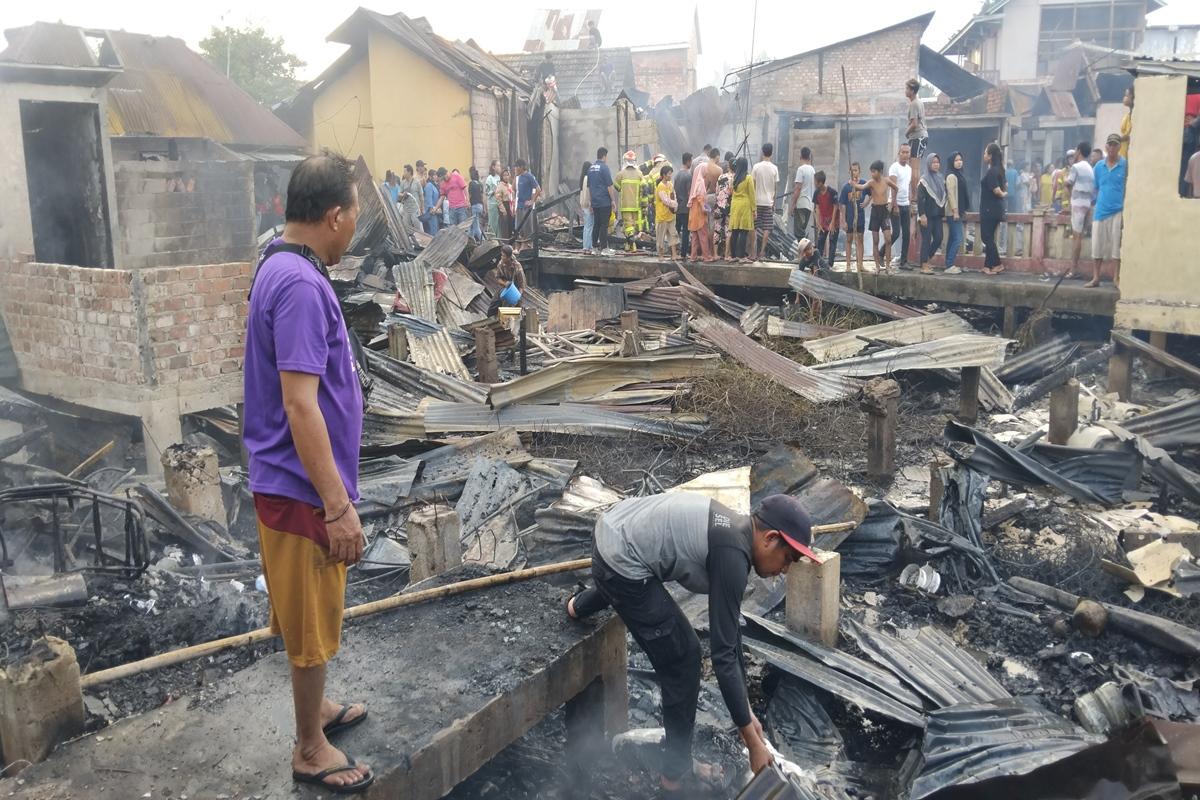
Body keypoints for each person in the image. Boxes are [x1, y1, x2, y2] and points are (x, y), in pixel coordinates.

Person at [244, 153, 373, 794]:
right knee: (311, 619)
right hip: (300, 487)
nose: (356, 227)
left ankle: (313, 711)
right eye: (354, 215)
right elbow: (300, 402)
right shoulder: (298, 286)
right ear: (333, 216)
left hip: (292, 482)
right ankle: (308, 747)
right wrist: (337, 503)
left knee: (311, 613)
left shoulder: (282, 259)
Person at [567, 493, 820, 794]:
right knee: (684, 660)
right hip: (619, 557)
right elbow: (722, 656)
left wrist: (748, 717)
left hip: (616, 528)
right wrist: (753, 745)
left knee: (639, 564)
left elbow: (732, 638)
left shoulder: (736, 533)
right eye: (788, 558)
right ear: (770, 539)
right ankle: (674, 777)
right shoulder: (732, 556)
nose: (787, 569)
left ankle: (576, 606)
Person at [1089, 133, 1127, 288]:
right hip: (1100, 210)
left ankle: (1116, 278)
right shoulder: (1098, 166)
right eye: (1110, 144)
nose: (1112, 147)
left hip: (1118, 210)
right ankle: (1095, 278)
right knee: (1097, 246)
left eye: (1115, 144)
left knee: (1116, 247)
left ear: (1119, 147)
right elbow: (1097, 187)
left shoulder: (1125, 164)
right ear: (1106, 147)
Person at [1064, 142, 1095, 279]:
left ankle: (1073, 269)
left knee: (1076, 238)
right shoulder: (1090, 168)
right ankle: (1074, 267)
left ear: (1079, 151)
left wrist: (1071, 196)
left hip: (1077, 204)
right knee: (1080, 237)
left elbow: (1068, 183)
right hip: (1087, 204)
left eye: (1076, 150)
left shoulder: (1075, 167)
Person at [980, 142, 1008, 276]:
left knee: (986, 238)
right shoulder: (1000, 169)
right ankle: (987, 266)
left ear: (990, 156)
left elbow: (997, 190)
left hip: (989, 209)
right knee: (989, 237)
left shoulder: (992, 171)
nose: (984, 155)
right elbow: (1005, 185)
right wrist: (1003, 194)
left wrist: (1003, 194)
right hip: (997, 209)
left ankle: (997, 264)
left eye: (985, 153)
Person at [916, 153, 946, 275]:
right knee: (926, 239)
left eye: (937, 162)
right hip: (926, 216)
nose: (936, 164)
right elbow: (920, 199)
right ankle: (924, 265)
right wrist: (922, 215)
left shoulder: (940, 178)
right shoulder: (924, 180)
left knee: (939, 238)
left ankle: (927, 258)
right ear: (929, 164)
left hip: (937, 215)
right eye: (933, 162)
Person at [865, 160, 897, 271]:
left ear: (880, 171)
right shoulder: (871, 182)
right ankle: (877, 266)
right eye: (871, 172)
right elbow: (862, 187)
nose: (872, 174)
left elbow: (896, 188)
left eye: (874, 172)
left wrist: (893, 203)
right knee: (875, 240)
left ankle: (888, 266)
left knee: (888, 239)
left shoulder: (886, 180)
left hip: (884, 211)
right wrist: (854, 184)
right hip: (875, 211)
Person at [885, 144, 914, 268]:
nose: (905, 155)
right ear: (899, 153)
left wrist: (910, 201)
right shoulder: (894, 167)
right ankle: (882, 252)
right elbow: (892, 186)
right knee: (896, 233)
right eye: (903, 152)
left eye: (907, 152)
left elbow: (908, 186)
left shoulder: (909, 169)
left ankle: (903, 261)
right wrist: (895, 205)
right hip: (895, 203)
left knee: (907, 234)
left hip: (905, 204)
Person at [751, 142, 779, 261]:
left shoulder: (756, 167)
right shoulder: (774, 168)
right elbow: (775, 188)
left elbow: (752, 185)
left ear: (762, 152)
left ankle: (753, 252)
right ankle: (762, 252)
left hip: (756, 202)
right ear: (771, 153)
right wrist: (774, 202)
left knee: (754, 227)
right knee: (767, 228)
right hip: (768, 202)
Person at [839, 162, 868, 277]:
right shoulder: (846, 187)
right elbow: (843, 205)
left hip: (860, 217)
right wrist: (843, 220)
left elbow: (870, 194)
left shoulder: (863, 184)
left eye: (855, 170)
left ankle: (860, 264)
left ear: (859, 171)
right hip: (850, 218)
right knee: (849, 239)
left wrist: (866, 203)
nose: (853, 172)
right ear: (849, 172)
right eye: (851, 170)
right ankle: (848, 265)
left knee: (860, 240)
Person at [588, 147, 618, 253]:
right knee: (604, 225)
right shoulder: (604, 168)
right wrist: (613, 200)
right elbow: (609, 186)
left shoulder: (591, 168)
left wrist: (591, 203)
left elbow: (589, 187)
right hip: (604, 202)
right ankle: (604, 248)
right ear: (604, 156)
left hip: (595, 202)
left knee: (596, 224)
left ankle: (594, 248)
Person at [944, 152, 968, 275]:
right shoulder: (951, 176)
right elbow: (951, 194)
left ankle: (948, 264)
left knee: (953, 238)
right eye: (956, 160)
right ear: (951, 162)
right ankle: (949, 265)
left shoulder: (959, 174)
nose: (959, 162)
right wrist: (955, 211)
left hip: (957, 211)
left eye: (960, 159)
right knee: (958, 239)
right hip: (953, 212)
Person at [688, 151, 715, 262]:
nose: (707, 172)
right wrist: (705, 208)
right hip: (699, 213)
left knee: (695, 237)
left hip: (693, 213)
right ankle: (706, 256)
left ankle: (693, 256)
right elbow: (700, 197)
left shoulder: (696, 182)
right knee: (703, 236)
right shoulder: (700, 183)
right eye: (706, 170)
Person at [904, 77, 928, 202]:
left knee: (914, 168)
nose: (905, 91)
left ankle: (914, 195)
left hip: (917, 137)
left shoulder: (914, 103)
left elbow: (914, 123)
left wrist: (906, 132)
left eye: (907, 88)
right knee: (916, 168)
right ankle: (914, 194)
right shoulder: (919, 102)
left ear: (912, 91)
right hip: (922, 137)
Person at [728, 157, 755, 263]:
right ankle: (741, 256)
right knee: (743, 231)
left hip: (735, 205)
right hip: (744, 205)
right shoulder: (748, 178)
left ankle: (733, 255)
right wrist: (754, 209)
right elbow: (752, 195)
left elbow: (731, 192)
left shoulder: (734, 178)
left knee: (735, 230)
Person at [617, 150, 643, 253]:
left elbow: (616, 186)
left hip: (625, 205)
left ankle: (633, 245)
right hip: (636, 205)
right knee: (632, 226)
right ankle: (628, 245)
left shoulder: (621, 174)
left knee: (628, 226)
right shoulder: (640, 174)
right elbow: (644, 189)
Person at [813, 170, 840, 266]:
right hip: (824, 221)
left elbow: (836, 207)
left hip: (834, 220)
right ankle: (819, 263)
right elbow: (817, 208)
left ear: (820, 183)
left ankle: (830, 264)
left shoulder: (832, 192)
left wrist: (832, 222)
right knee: (820, 241)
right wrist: (818, 222)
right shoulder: (816, 193)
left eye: (815, 182)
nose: (814, 183)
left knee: (832, 242)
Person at [790, 146, 815, 242]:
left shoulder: (801, 169)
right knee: (802, 230)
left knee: (799, 232)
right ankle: (805, 252)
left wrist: (793, 204)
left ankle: (804, 253)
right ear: (809, 157)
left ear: (800, 156)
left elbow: (798, 188)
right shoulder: (812, 170)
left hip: (801, 203)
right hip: (809, 204)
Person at [655, 165, 680, 260]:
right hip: (662, 216)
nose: (670, 176)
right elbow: (666, 200)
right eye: (669, 174)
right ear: (664, 175)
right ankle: (660, 255)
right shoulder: (660, 187)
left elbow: (674, 196)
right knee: (660, 237)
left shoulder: (670, 185)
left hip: (670, 215)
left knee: (673, 235)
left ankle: (674, 254)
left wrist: (675, 204)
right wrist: (675, 204)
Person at [513, 159, 541, 243]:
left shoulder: (529, 176)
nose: (515, 169)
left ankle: (527, 244)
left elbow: (538, 189)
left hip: (526, 207)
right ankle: (520, 245)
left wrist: (532, 201)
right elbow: (513, 189)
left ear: (521, 167)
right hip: (519, 206)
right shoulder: (519, 177)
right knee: (519, 227)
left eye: (516, 167)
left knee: (527, 228)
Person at [673, 152, 693, 261]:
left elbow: (674, 191)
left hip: (678, 207)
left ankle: (674, 252)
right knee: (686, 231)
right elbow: (689, 192)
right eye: (691, 160)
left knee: (676, 230)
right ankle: (684, 254)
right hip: (685, 208)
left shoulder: (677, 175)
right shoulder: (688, 175)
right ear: (688, 161)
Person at [713, 160, 733, 260]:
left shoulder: (721, 177)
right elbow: (732, 193)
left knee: (716, 230)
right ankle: (726, 255)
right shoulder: (734, 178)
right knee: (728, 231)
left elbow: (717, 192)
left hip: (718, 206)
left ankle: (715, 254)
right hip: (729, 207)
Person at [397, 165, 423, 236]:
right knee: (406, 228)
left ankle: (419, 243)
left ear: (409, 172)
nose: (403, 173)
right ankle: (410, 243)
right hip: (406, 209)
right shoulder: (403, 182)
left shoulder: (416, 182)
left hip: (415, 209)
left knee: (417, 228)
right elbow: (399, 193)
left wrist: (422, 208)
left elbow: (421, 196)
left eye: (405, 171)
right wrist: (402, 195)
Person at [578, 160, 594, 254]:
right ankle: (588, 247)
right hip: (588, 205)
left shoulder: (582, 178)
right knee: (590, 226)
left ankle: (585, 247)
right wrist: (591, 204)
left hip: (583, 205)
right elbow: (588, 193)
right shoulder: (588, 178)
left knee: (586, 227)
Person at [485, 160, 502, 238]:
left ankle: (499, 241)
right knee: (492, 223)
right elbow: (486, 192)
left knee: (499, 224)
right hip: (492, 204)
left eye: (499, 166)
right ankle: (491, 240)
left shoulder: (499, 177)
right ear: (493, 167)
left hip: (500, 204)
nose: (499, 167)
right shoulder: (490, 178)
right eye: (497, 165)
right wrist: (494, 190)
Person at [495, 168, 514, 240]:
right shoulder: (500, 186)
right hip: (504, 207)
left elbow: (513, 196)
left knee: (510, 226)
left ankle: (511, 244)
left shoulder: (510, 185)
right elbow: (498, 199)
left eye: (507, 175)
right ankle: (505, 244)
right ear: (501, 177)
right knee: (504, 228)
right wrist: (503, 210)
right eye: (504, 175)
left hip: (510, 207)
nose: (506, 177)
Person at [420, 170, 441, 235]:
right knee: (432, 231)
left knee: (435, 230)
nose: (436, 176)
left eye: (436, 175)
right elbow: (428, 199)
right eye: (434, 175)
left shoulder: (434, 185)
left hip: (435, 211)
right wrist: (432, 209)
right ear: (430, 176)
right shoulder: (429, 185)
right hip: (431, 212)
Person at [467, 166, 485, 242]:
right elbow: (482, 196)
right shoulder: (480, 184)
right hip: (480, 205)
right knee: (471, 225)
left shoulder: (471, 183)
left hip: (474, 205)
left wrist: (468, 203)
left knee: (476, 226)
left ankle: (483, 241)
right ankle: (469, 239)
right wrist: (484, 208)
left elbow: (470, 195)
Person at [1119, 86, 1134, 160]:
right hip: (1123, 152)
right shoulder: (1128, 115)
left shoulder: (1133, 115)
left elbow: (1128, 135)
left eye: (1126, 95)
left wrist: (1116, 139)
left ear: (1131, 96)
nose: (1124, 98)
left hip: (1127, 152)